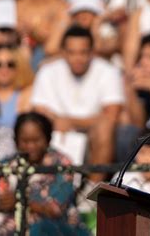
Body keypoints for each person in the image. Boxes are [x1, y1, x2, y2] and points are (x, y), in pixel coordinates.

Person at [31, 26, 124, 180]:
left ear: (92, 52)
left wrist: (69, 122)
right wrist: (63, 123)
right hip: (56, 136)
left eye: (83, 52)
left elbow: (111, 115)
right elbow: (40, 112)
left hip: (93, 138)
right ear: (63, 52)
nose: (78, 58)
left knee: (105, 127)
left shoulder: (108, 71)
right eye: (72, 52)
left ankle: (92, 194)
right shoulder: (47, 71)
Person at [0, 112, 88, 235]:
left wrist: (19, 201)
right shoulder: (7, 165)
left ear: (48, 139)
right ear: (16, 140)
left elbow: (55, 210)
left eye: (36, 140)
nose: (30, 146)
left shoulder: (62, 164)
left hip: (55, 229)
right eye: (24, 141)